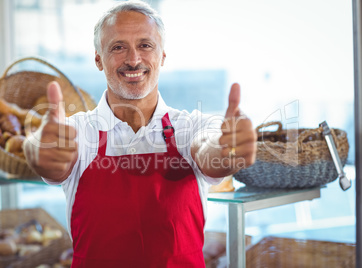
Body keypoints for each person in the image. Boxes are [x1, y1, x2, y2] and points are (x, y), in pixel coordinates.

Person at [23, 1, 257, 267]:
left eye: (145, 45)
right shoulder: (79, 131)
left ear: (163, 56)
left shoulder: (190, 127)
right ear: (98, 59)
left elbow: (208, 149)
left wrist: (227, 150)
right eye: (118, 47)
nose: (133, 59)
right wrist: (38, 149)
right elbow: (44, 152)